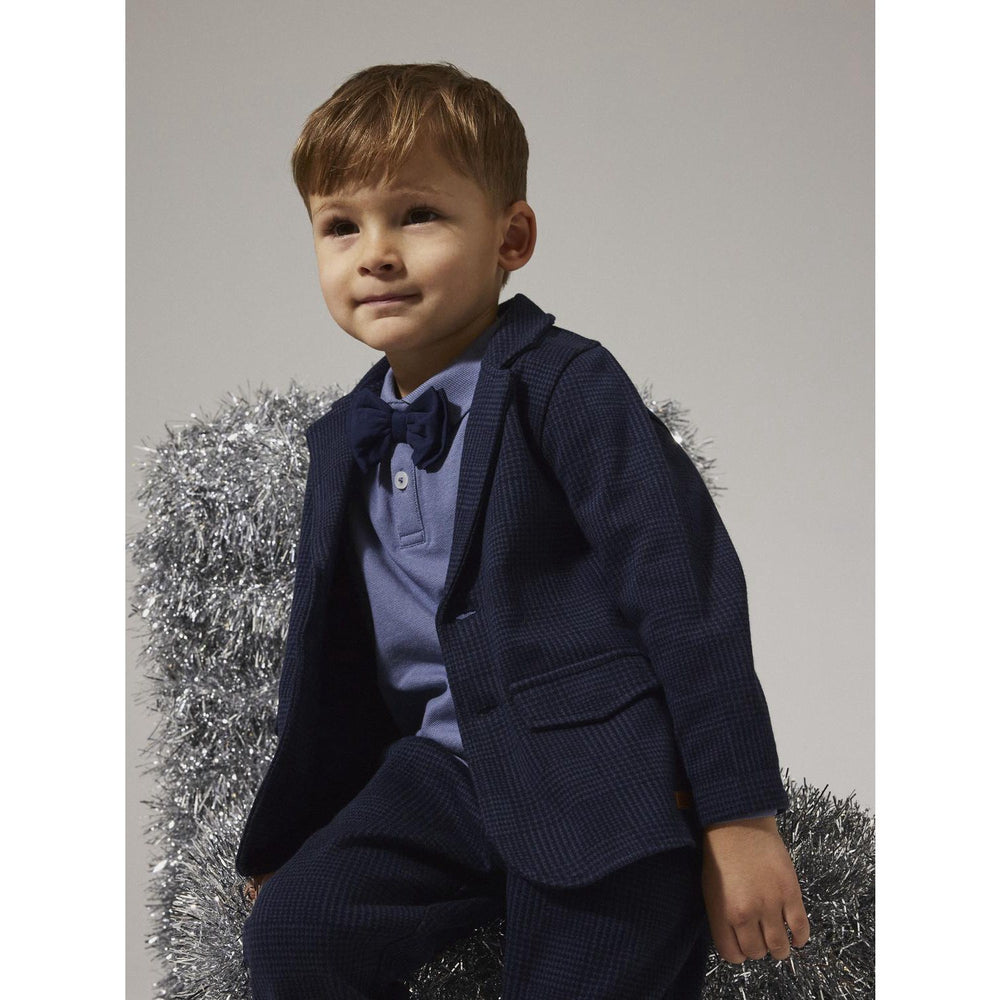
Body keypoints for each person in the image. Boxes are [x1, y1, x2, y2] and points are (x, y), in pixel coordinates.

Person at [236, 62, 809, 999]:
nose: (375, 254)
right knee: (295, 932)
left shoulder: (567, 386)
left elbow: (687, 592)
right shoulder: (344, 436)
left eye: (418, 215)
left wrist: (740, 819)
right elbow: (333, 666)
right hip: (441, 776)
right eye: (341, 226)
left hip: (600, 777)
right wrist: (300, 838)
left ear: (512, 237)